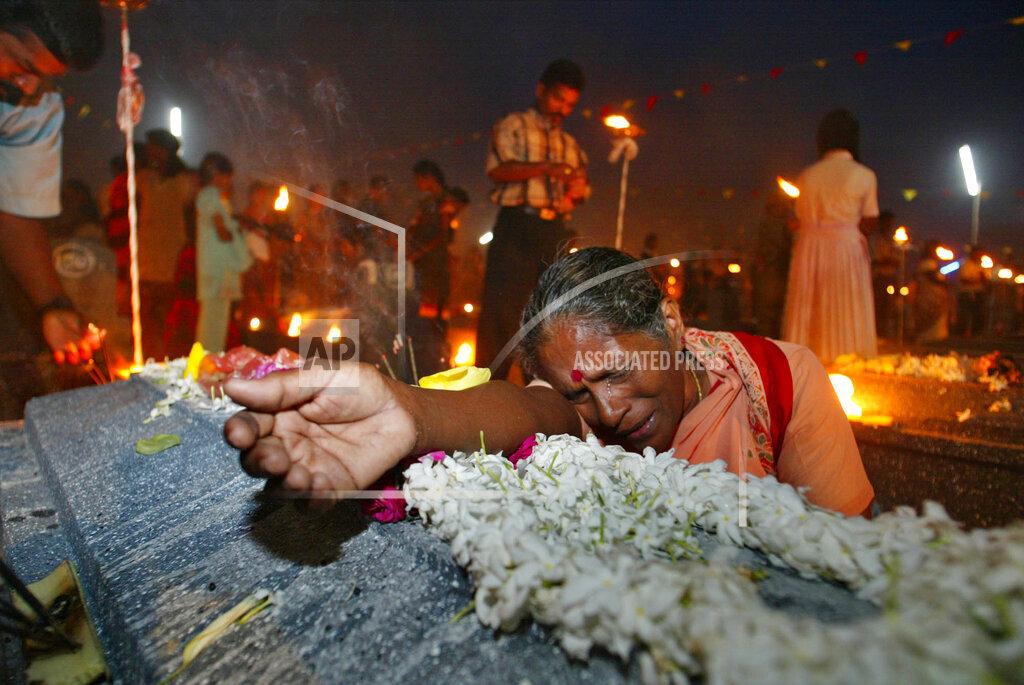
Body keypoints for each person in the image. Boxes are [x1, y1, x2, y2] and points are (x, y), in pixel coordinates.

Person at [224, 247, 874, 517]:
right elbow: (524, 409)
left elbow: (845, 553)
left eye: (619, 370)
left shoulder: (782, 378)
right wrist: (407, 413)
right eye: (579, 392)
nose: (610, 410)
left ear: (671, 324)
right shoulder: (574, 402)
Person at [0, 0, 103, 418]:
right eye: (21, 64)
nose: (28, 86)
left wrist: (52, 305)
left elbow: (15, 207)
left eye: (43, 77)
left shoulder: (33, 105)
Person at [477, 59, 591, 378]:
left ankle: (539, 391)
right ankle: (489, 391)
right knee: (502, 311)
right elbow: (497, 170)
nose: (562, 110)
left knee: (546, 313)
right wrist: (546, 168)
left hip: (552, 230)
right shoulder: (513, 125)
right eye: (558, 99)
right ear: (541, 91)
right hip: (517, 225)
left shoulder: (571, 145)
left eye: (570, 104)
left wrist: (577, 190)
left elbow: (581, 188)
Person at [783, 109, 879, 363]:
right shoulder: (865, 175)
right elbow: (871, 219)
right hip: (845, 249)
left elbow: (798, 217)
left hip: (810, 248)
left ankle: (805, 371)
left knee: (810, 312)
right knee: (845, 311)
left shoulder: (806, 176)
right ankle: (848, 361)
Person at [136, 128, 197, 358]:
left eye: (157, 151)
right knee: (147, 323)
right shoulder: (143, 178)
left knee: (172, 323)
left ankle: (171, 368)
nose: (152, 156)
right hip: (145, 264)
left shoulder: (184, 182)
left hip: (173, 266)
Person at [195, 152, 252, 352]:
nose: (230, 182)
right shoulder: (210, 195)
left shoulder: (213, 198)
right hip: (217, 272)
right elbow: (221, 229)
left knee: (215, 325)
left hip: (219, 272)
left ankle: (209, 366)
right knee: (213, 327)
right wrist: (233, 234)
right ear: (217, 175)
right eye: (228, 176)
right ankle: (206, 369)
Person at [409, 159, 450, 321]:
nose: (417, 184)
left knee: (435, 314)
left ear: (430, 178)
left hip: (437, 264)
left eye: (418, 179)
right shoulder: (425, 202)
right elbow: (415, 226)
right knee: (422, 312)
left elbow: (444, 234)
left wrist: (421, 252)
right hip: (422, 265)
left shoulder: (446, 200)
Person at [751, 191, 792, 339]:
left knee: (772, 319)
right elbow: (773, 250)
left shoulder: (771, 225)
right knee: (770, 318)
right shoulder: (772, 225)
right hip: (773, 277)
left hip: (774, 277)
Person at [912, 241, 949, 343]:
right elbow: (932, 277)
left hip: (937, 296)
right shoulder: (926, 263)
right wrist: (943, 282)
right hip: (928, 296)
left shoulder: (933, 263)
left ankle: (934, 340)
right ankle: (926, 340)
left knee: (937, 321)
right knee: (927, 317)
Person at [954, 246, 990, 337]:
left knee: (978, 313)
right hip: (967, 293)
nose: (980, 256)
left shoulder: (982, 266)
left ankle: (976, 333)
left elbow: (986, 280)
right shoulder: (966, 265)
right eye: (978, 253)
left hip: (979, 293)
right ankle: (963, 333)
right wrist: (977, 280)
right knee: (965, 313)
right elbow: (964, 279)